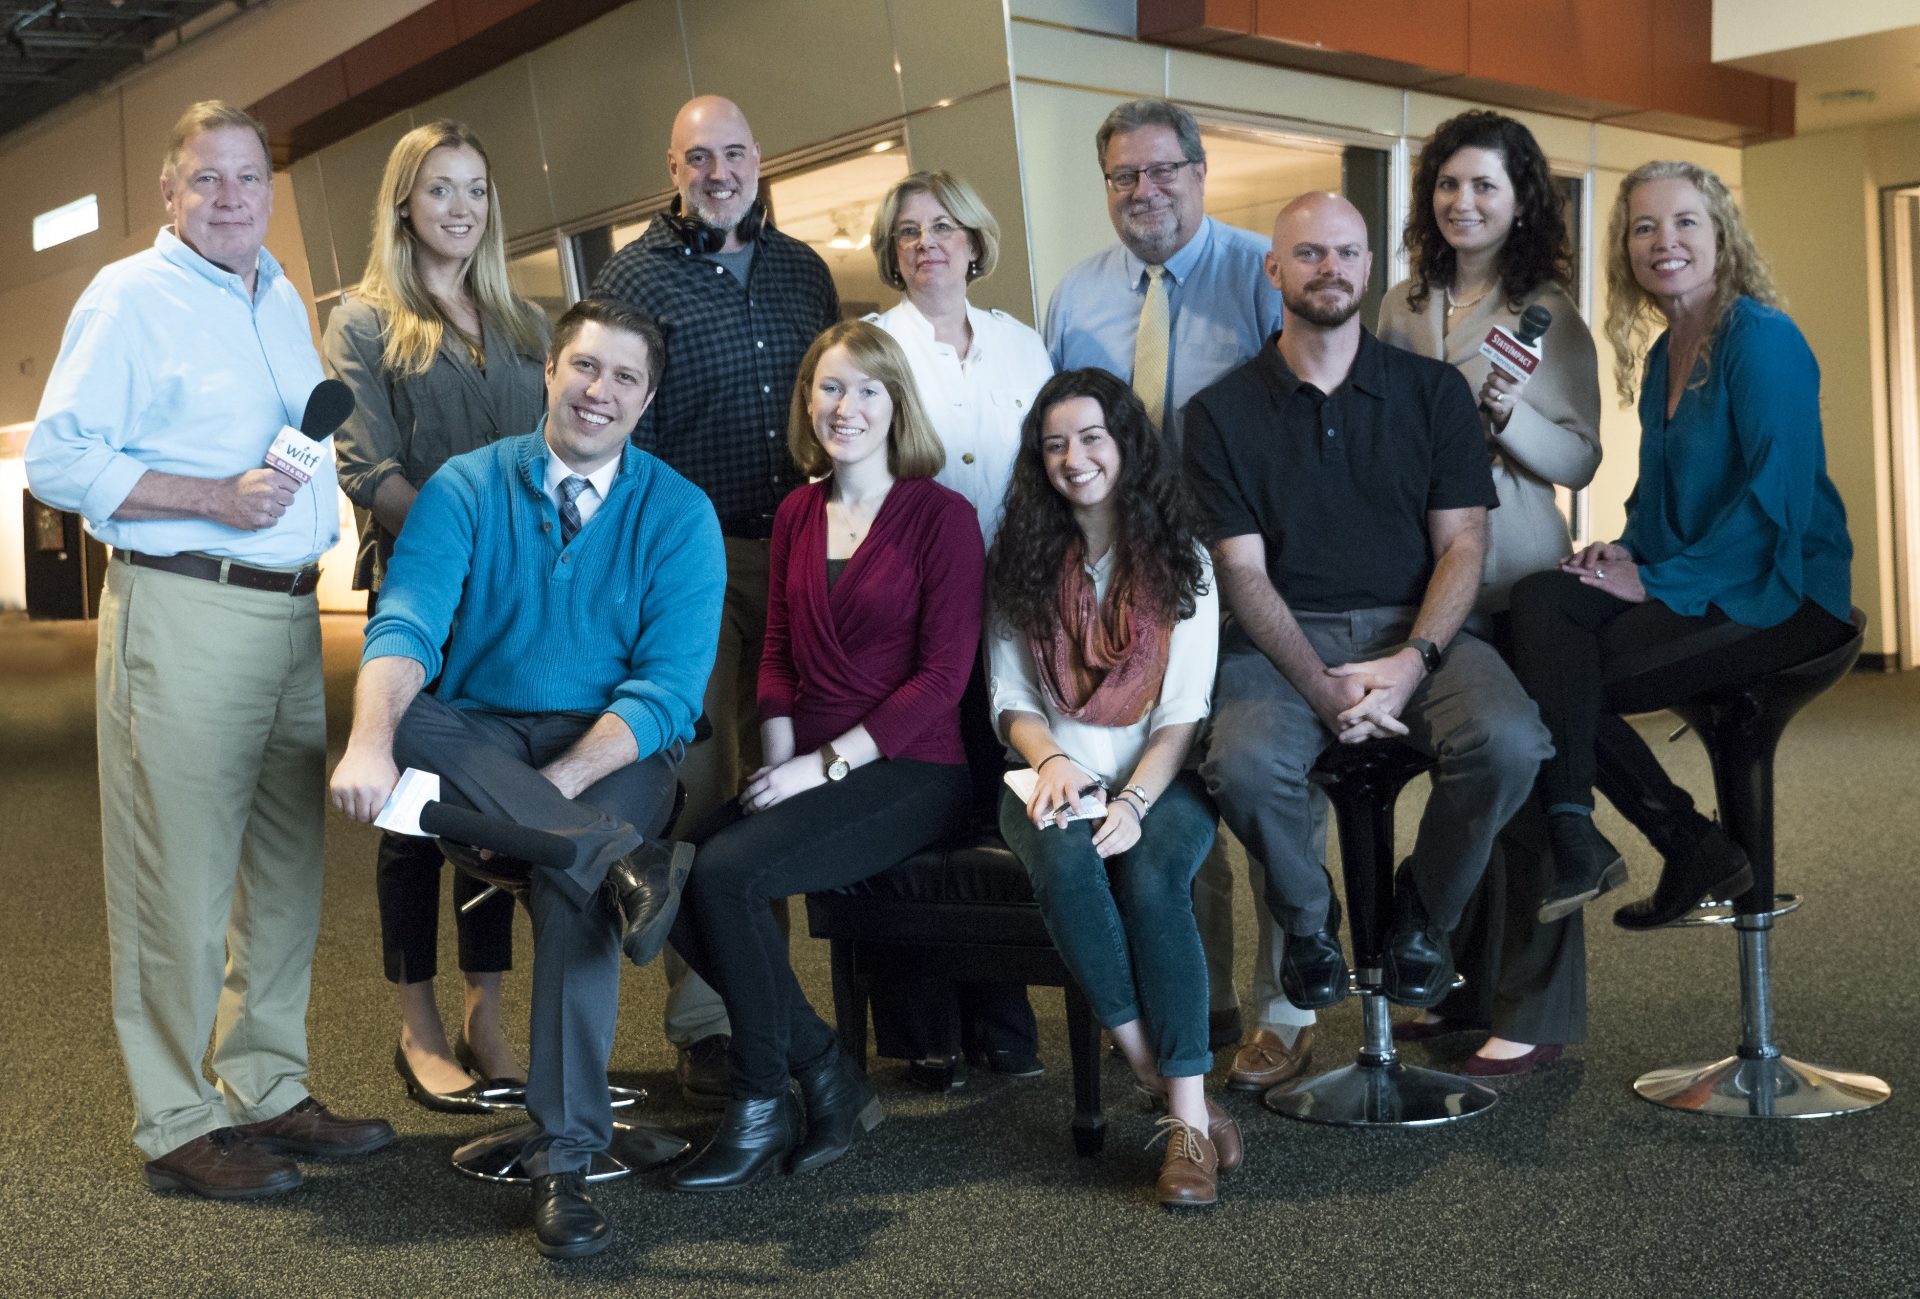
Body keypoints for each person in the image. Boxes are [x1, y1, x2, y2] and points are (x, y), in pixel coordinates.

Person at [24, 100, 393, 1199]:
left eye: (248, 178)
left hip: (285, 615)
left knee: (284, 872)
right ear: (169, 195)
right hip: (183, 609)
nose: (231, 198)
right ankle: (176, 1119)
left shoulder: (277, 292)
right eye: (207, 180)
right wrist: (209, 498)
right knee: (175, 882)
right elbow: (57, 459)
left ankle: (267, 1086)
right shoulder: (128, 298)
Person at [329, 297, 724, 1258]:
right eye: (587, 367)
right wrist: (370, 740)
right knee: (404, 708)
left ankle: (566, 1159)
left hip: (614, 749)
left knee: (567, 886)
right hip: (478, 738)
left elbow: (668, 691)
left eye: (626, 378)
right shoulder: (465, 487)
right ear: (549, 369)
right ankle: (620, 862)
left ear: (647, 398)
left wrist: (561, 786)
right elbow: (408, 623)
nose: (602, 391)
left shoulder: (678, 513)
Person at [1187, 192, 1552, 1027]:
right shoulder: (1219, 414)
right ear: (1273, 268)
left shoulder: (1433, 393)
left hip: (1418, 631)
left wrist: (1410, 661)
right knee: (1241, 764)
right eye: (1309, 253)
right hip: (1282, 643)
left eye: (1348, 252)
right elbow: (1241, 571)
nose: (1331, 268)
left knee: (1510, 740)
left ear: (1368, 266)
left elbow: (1464, 544)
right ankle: (1312, 926)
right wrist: (1322, 687)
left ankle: (1422, 915)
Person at [665, 320, 980, 1193]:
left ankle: (763, 1098)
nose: (847, 406)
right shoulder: (798, 510)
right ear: (808, 400)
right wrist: (776, 755)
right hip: (806, 756)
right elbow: (775, 651)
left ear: (897, 404)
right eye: (831, 387)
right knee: (672, 863)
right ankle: (824, 1066)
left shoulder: (940, 515)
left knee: (724, 874)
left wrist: (820, 766)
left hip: (913, 768)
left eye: (868, 388)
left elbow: (944, 678)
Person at [1508, 160, 1854, 935]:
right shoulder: (1667, 352)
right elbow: (1661, 502)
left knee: (1567, 674)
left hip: (1784, 587)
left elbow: (1777, 505)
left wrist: (1656, 579)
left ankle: (1679, 837)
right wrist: (1624, 556)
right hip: (1698, 577)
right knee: (1537, 604)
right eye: (1644, 227)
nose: (1664, 241)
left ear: (1721, 234)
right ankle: (1628, 835)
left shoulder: (1759, 338)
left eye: (1685, 221)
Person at [1043, 95, 1307, 1083]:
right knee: (1164, 791)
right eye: (1123, 176)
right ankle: (1201, 999)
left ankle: (1288, 1003)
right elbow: (1066, 444)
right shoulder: (1077, 296)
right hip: (1127, 589)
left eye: (1163, 171)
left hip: (1251, 579)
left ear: (1201, 173)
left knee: (1263, 780)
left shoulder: (1259, 275)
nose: (1144, 191)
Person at [590, 95, 840, 1106]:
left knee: (779, 787)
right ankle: (705, 1019)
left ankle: (771, 1005)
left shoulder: (804, 272)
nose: (719, 171)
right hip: (692, 563)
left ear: (759, 157)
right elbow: (618, 424)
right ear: (674, 167)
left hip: (806, 558)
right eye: (699, 157)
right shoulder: (632, 278)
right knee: (697, 786)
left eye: (734, 152)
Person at [326, 119, 552, 1110]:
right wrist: (474, 541)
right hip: (424, 596)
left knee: (494, 799)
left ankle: (484, 1011)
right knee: (414, 808)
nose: (460, 207)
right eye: (440, 190)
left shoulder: (523, 322)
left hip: (517, 604)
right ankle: (418, 1023)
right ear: (404, 205)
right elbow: (364, 469)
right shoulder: (364, 322)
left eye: (474, 188)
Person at [1375, 110, 1602, 1077]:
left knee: (1529, 778)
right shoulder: (1400, 305)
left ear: (1520, 204)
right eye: (1448, 185)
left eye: (1485, 188)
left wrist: (1509, 419)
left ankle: (1538, 1008)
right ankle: (1463, 978)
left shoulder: (1547, 311)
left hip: (1518, 573)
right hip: (1425, 581)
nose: (1462, 203)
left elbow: (1582, 453)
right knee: (1467, 784)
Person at [988, 368, 1243, 1207]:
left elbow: (1183, 713)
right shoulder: (1020, 558)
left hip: (1158, 777)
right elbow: (1011, 698)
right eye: (1055, 444)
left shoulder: (1183, 560)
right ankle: (1182, 1104)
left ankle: (1180, 1120)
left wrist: (1133, 802)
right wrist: (1055, 761)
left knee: (1154, 876)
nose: (1075, 457)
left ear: (1126, 443)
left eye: (1092, 436)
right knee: (1066, 862)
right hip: (1046, 768)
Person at [863, 168, 1050, 1089]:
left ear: (975, 241)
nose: (926, 241)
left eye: (943, 225)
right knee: (918, 811)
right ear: (891, 253)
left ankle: (1003, 1017)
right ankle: (918, 1029)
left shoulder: (1022, 343)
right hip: (912, 612)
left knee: (998, 809)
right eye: (907, 231)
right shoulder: (872, 345)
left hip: (1015, 607)